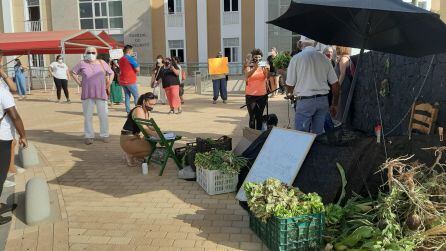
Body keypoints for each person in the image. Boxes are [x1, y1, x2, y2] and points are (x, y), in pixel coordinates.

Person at [286, 37, 340, 135]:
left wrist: (290, 95)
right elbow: (335, 84)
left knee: (301, 135)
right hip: (322, 101)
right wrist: (334, 104)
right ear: (315, 44)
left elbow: (290, 84)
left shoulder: (296, 58)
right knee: (318, 135)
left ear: (301, 44)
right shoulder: (325, 58)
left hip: (305, 101)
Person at [71, 47, 114, 145]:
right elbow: (73, 72)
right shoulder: (82, 63)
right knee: (88, 116)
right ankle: (89, 136)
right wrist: (79, 83)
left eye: (93, 52)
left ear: (96, 53)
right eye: (88, 52)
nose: (91, 54)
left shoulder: (102, 62)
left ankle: (105, 134)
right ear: (85, 53)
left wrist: (109, 83)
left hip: (101, 93)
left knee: (103, 115)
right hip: (87, 94)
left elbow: (111, 73)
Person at [0, 76, 27, 224]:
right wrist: (23, 135)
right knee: (0, 175)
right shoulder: (2, 92)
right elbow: (14, 115)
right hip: (2, 137)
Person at [120, 92, 158, 166]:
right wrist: (158, 135)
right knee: (151, 149)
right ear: (144, 101)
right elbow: (145, 128)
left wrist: (157, 130)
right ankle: (130, 155)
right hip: (128, 139)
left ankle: (136, 155)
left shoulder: (145, 111)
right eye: (150, 104)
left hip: (134, 138)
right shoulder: (139, 110)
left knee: (151, 144)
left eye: (154, 104)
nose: (152, 107)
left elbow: (148, 126)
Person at [244, 49, 269, 130]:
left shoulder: (263, 65)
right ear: (252, 57)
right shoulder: (248, 65)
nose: (257, 59)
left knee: (259, 116)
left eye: (259, 57)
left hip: (262, 95)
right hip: (250, 95)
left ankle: (258, 135)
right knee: (252, 116)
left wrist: (267, 69)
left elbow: (266, 77)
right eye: (255, 57)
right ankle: (252, 135)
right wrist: (255, 68)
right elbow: (247, 75)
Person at [335, 46, 355, 122]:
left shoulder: (343, 59)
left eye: (338, 47)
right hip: (345, 84)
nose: (336, 48)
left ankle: (343, 124)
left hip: (343, 85)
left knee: (342, 105)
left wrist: (337, 86)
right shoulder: (345, 58)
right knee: (342, 105)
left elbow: (342, 74)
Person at [118, 45, 140, 113]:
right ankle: (137, 112)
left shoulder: (121, 59)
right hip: (130, 80)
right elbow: (137, 69)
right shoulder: (130, 58)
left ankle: (128, 112)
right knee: (136, 96)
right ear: (129, 50)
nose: (132, 52)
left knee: (127, 96)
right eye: (132, 50)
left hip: (123, 80)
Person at [323, 46, 336, 132]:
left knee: (330, 107)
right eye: (328, 52)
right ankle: (330, 131)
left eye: (331, 52)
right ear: (324, 53)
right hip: (325, 89)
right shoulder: (322, 62)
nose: (330, 53)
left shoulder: (334, 62)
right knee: (326, 110)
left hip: (332, 88)